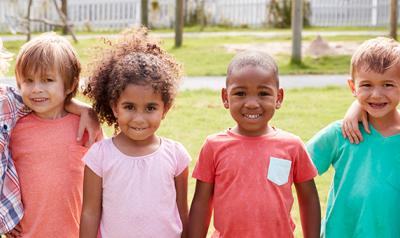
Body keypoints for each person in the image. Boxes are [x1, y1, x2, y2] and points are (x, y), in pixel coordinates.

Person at [188, 50, 321, 238]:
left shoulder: (292, 146)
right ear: (225, 97)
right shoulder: (213, 146)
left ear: (279, 98)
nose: (251, 103)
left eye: (263, 93)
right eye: (240, 93)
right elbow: (201, 203)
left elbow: (309, 199)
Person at [79, 28, 191, 238]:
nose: (139, 118)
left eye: (150, 108)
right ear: (114, 107)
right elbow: (90, 213)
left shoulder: (177, 156)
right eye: (129, 107)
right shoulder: (99, 156)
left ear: (164, 109)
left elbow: (182, 212)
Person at [0, 36, 101, 236]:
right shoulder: (16, 129)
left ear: (71, 85)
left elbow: (106, 184)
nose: (36, 88)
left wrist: (86, 111)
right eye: (28, 81)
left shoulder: (86, 127)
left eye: (47, 80)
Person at [307, 37, 400, 237]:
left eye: (388, 84)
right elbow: (297, 166)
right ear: (352, 87)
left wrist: (359, 103)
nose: (376, 94)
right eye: (366, 85)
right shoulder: (340, 134)